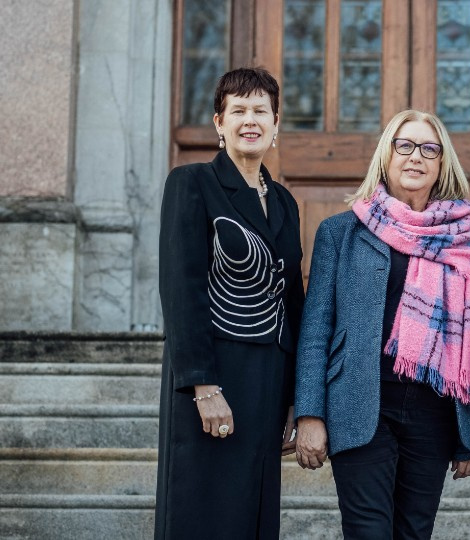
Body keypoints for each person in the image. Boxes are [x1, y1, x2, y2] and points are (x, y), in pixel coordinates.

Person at [294, 110, 470, 539]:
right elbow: (316, 330)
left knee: (414, 533)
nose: (415, 157)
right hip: (361, 406)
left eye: (429, 148)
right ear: (386, 156)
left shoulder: (466, 241)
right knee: (368, 532)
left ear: (442, 163)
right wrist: (310, 412)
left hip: (435, 413)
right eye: (404, 146)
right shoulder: (341, 232)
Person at [155, 67, 304, 539]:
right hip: (213, 379)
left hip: (268, 385)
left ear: (276, 124)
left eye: (261, 110)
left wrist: (294, 402)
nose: (250, 120)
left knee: (253, 519)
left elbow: (292, 301)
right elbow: (182, 288)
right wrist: (203, 386)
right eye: (238, 110)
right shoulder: (191, 183)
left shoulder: (283, 202)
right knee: (204, 514)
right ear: (219, 123)